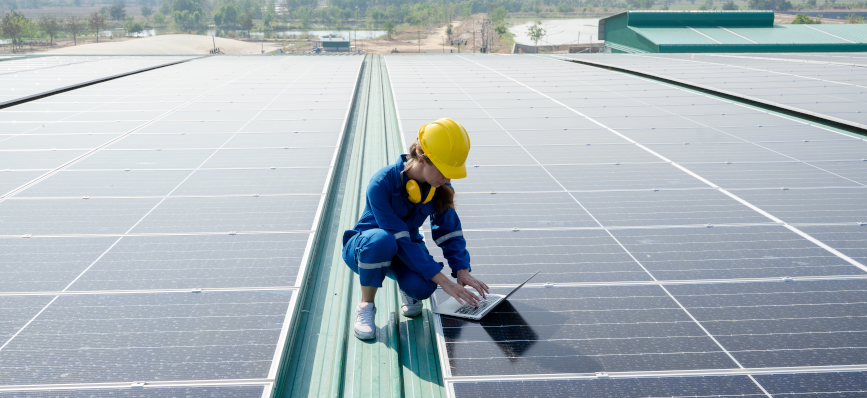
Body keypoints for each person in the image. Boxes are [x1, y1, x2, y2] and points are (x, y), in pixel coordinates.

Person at [342, 118, 490, 340]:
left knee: (422, 289)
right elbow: (397, 237)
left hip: (405, 249)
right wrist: (443, 281)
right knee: (383, 240)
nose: (447, 177)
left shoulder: (439, 186)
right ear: (422, 160)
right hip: (366, 247)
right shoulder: (382, 183)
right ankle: (366, 305)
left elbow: (449, 231)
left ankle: (407, 287)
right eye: (444, 170)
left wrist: (461, 270)